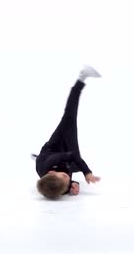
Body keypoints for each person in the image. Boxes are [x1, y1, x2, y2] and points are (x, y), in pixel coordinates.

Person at [33, 65, 102, 199]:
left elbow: (74, 156)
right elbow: (66, 183)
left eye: (65, 177)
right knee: (75, 167)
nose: (68, 179)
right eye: (67, 183)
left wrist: (87, 173)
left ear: (52, 172)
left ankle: (82, 77)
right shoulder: (58, 188)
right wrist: (74, 185)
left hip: (53, 148)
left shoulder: (52, 162)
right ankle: (37, 158)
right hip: (56, 161)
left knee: (69, 117)